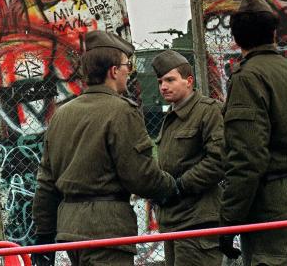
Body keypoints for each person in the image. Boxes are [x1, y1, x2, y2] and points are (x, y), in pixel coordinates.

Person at [32, 31, 178, 266]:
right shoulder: (122, 111)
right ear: (113, 71)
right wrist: (173, 187)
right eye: (126, 66)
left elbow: (46, 182)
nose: (128, 71)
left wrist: (44, 236)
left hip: (70, 231)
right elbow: (141, 176)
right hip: (107, 231)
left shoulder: (61, 114)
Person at [219, 0, 287, 265]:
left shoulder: (248, 78)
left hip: (274, 214)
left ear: (237, 38)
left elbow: (247, 157)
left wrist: (229, 221)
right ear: (274, 33)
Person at [152, 50, 223, 265]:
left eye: (170, 80)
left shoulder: (208, 111)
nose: (164, 86)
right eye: (160, 81)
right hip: (174, 221)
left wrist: (179, 186)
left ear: (189, 81)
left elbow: (219, 160)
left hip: (198, 221)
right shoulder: (172, 116)